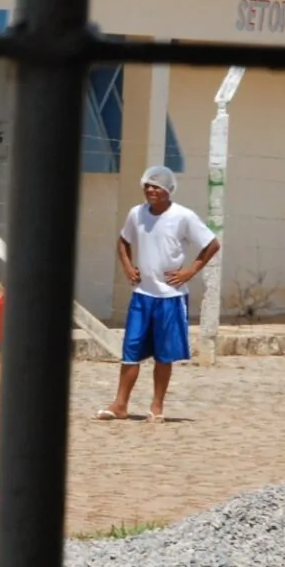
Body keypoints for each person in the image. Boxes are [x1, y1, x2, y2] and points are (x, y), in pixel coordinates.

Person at [97, 165, 220, 423]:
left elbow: (212, 244)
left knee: (164, 355)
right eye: (148, 186)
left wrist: (190, 271)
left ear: (169, 190)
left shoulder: (183, 216)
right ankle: (120, 404)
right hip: (143, 295)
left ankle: (156, 407)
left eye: (157, 187)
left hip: (171, 297)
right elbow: (123, 241)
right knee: (131, 350)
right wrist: (128, 267)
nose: (151, 190)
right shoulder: (136, 214)